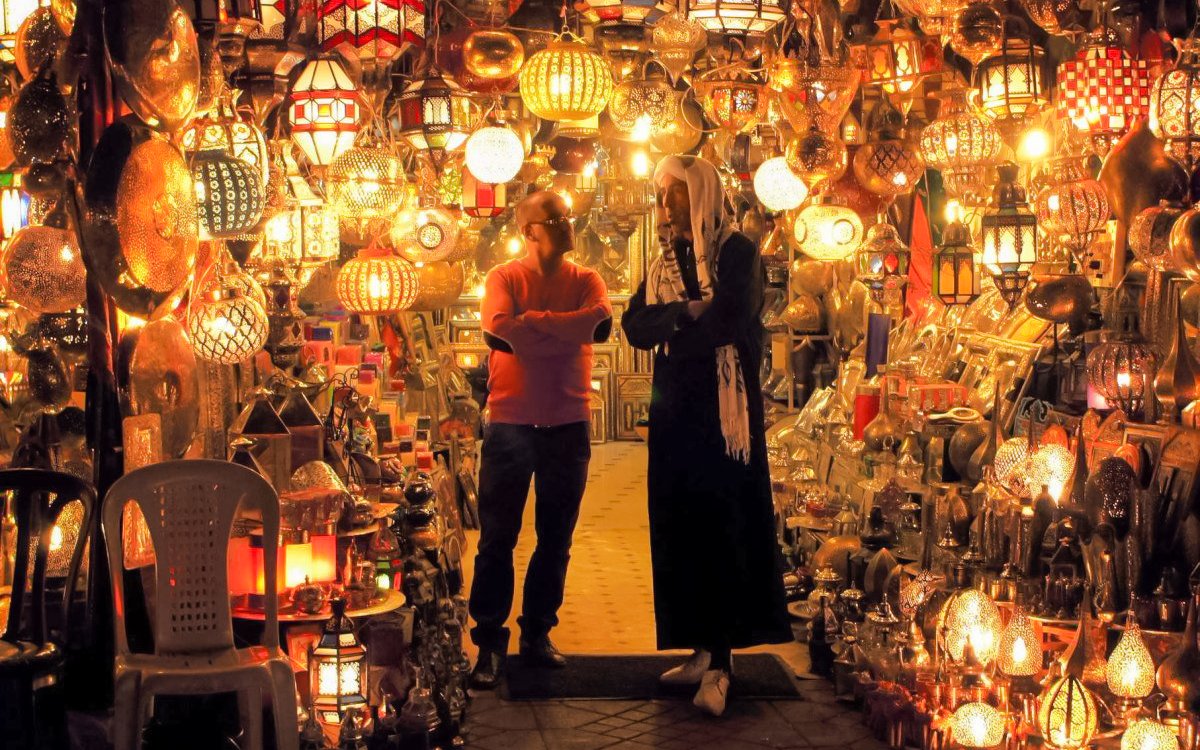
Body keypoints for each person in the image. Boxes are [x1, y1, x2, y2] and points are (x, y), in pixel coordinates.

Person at [621, 155, 791, 716]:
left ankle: (721, 662)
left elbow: (731, 321)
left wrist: (679, 324)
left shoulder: (736, 252)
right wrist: (683, 314)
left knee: (723, 524)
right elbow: (633, 326)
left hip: (725, 415)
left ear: (702, 196)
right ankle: (697, 646)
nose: (666, 204)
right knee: (680, 520)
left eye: (676, 194)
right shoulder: (662, 256)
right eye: (663, 193)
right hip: (675, 409)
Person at [468, 190, 613, 689]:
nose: (566, 224)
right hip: (510, 424)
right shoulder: (504, 278)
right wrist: (562, 332)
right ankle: (489, 644)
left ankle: (536, 636)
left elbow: (598, 323)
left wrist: (535, 324)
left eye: (568, 215)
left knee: (556, 539)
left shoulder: (587, 279)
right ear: (530, 230)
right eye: (554, 218)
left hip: (568, 426)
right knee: (497, 541)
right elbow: (499, 332)